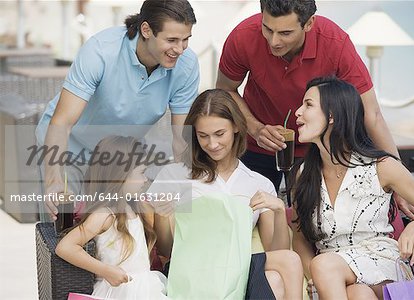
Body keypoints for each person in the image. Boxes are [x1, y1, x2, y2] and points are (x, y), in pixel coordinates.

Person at [215, 0, 414, 218]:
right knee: (247, 218)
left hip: (317, 151)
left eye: (285, 33)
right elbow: (225, 89)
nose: (273, 41)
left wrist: (402, 182)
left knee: (311, 223)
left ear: (309, 23)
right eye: (267, 28)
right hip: (257, 145)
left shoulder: (335, 43)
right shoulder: (243, 36)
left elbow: (372, 114)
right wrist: (255, 128)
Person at [36, 0, 199, 221]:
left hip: (119, 157)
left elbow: (181, 139)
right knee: (65, 227)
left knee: (120, 231)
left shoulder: (186, 65)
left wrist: (188, 185)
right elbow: (62, 123)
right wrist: (54, 182)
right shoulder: (101, 51)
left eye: (185, 39)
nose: (180, 49)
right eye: (171, 40)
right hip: (70, 149)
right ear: (146, 30)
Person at [290, 77, 414, 300]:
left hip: (380, 261)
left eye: (308, 105)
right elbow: (300, 239)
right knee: (358, 294)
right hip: (333, 277)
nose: (297, 112)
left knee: (326, 265)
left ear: (332, 115)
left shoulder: (382, 166)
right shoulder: (303, 174)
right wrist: (312, 275)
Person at [150, 89, 304, 299]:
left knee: (282, 271)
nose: (212, 144)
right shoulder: (175, 175)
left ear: (236, 128)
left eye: (219, 134)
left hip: (237, 270)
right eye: (203, 136)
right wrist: (161, 214)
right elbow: (167, 249)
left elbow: (276, 251)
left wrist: (278, 210)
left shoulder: (257, 183)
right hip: (191, 270)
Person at [55, 136, 168, 299]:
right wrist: (105, 270)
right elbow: (65, 247)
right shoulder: (105, 214)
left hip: (145, 287)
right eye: (141, 173)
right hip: (118, 291)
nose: (145, 180)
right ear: (119, 176)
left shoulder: (133, 206)